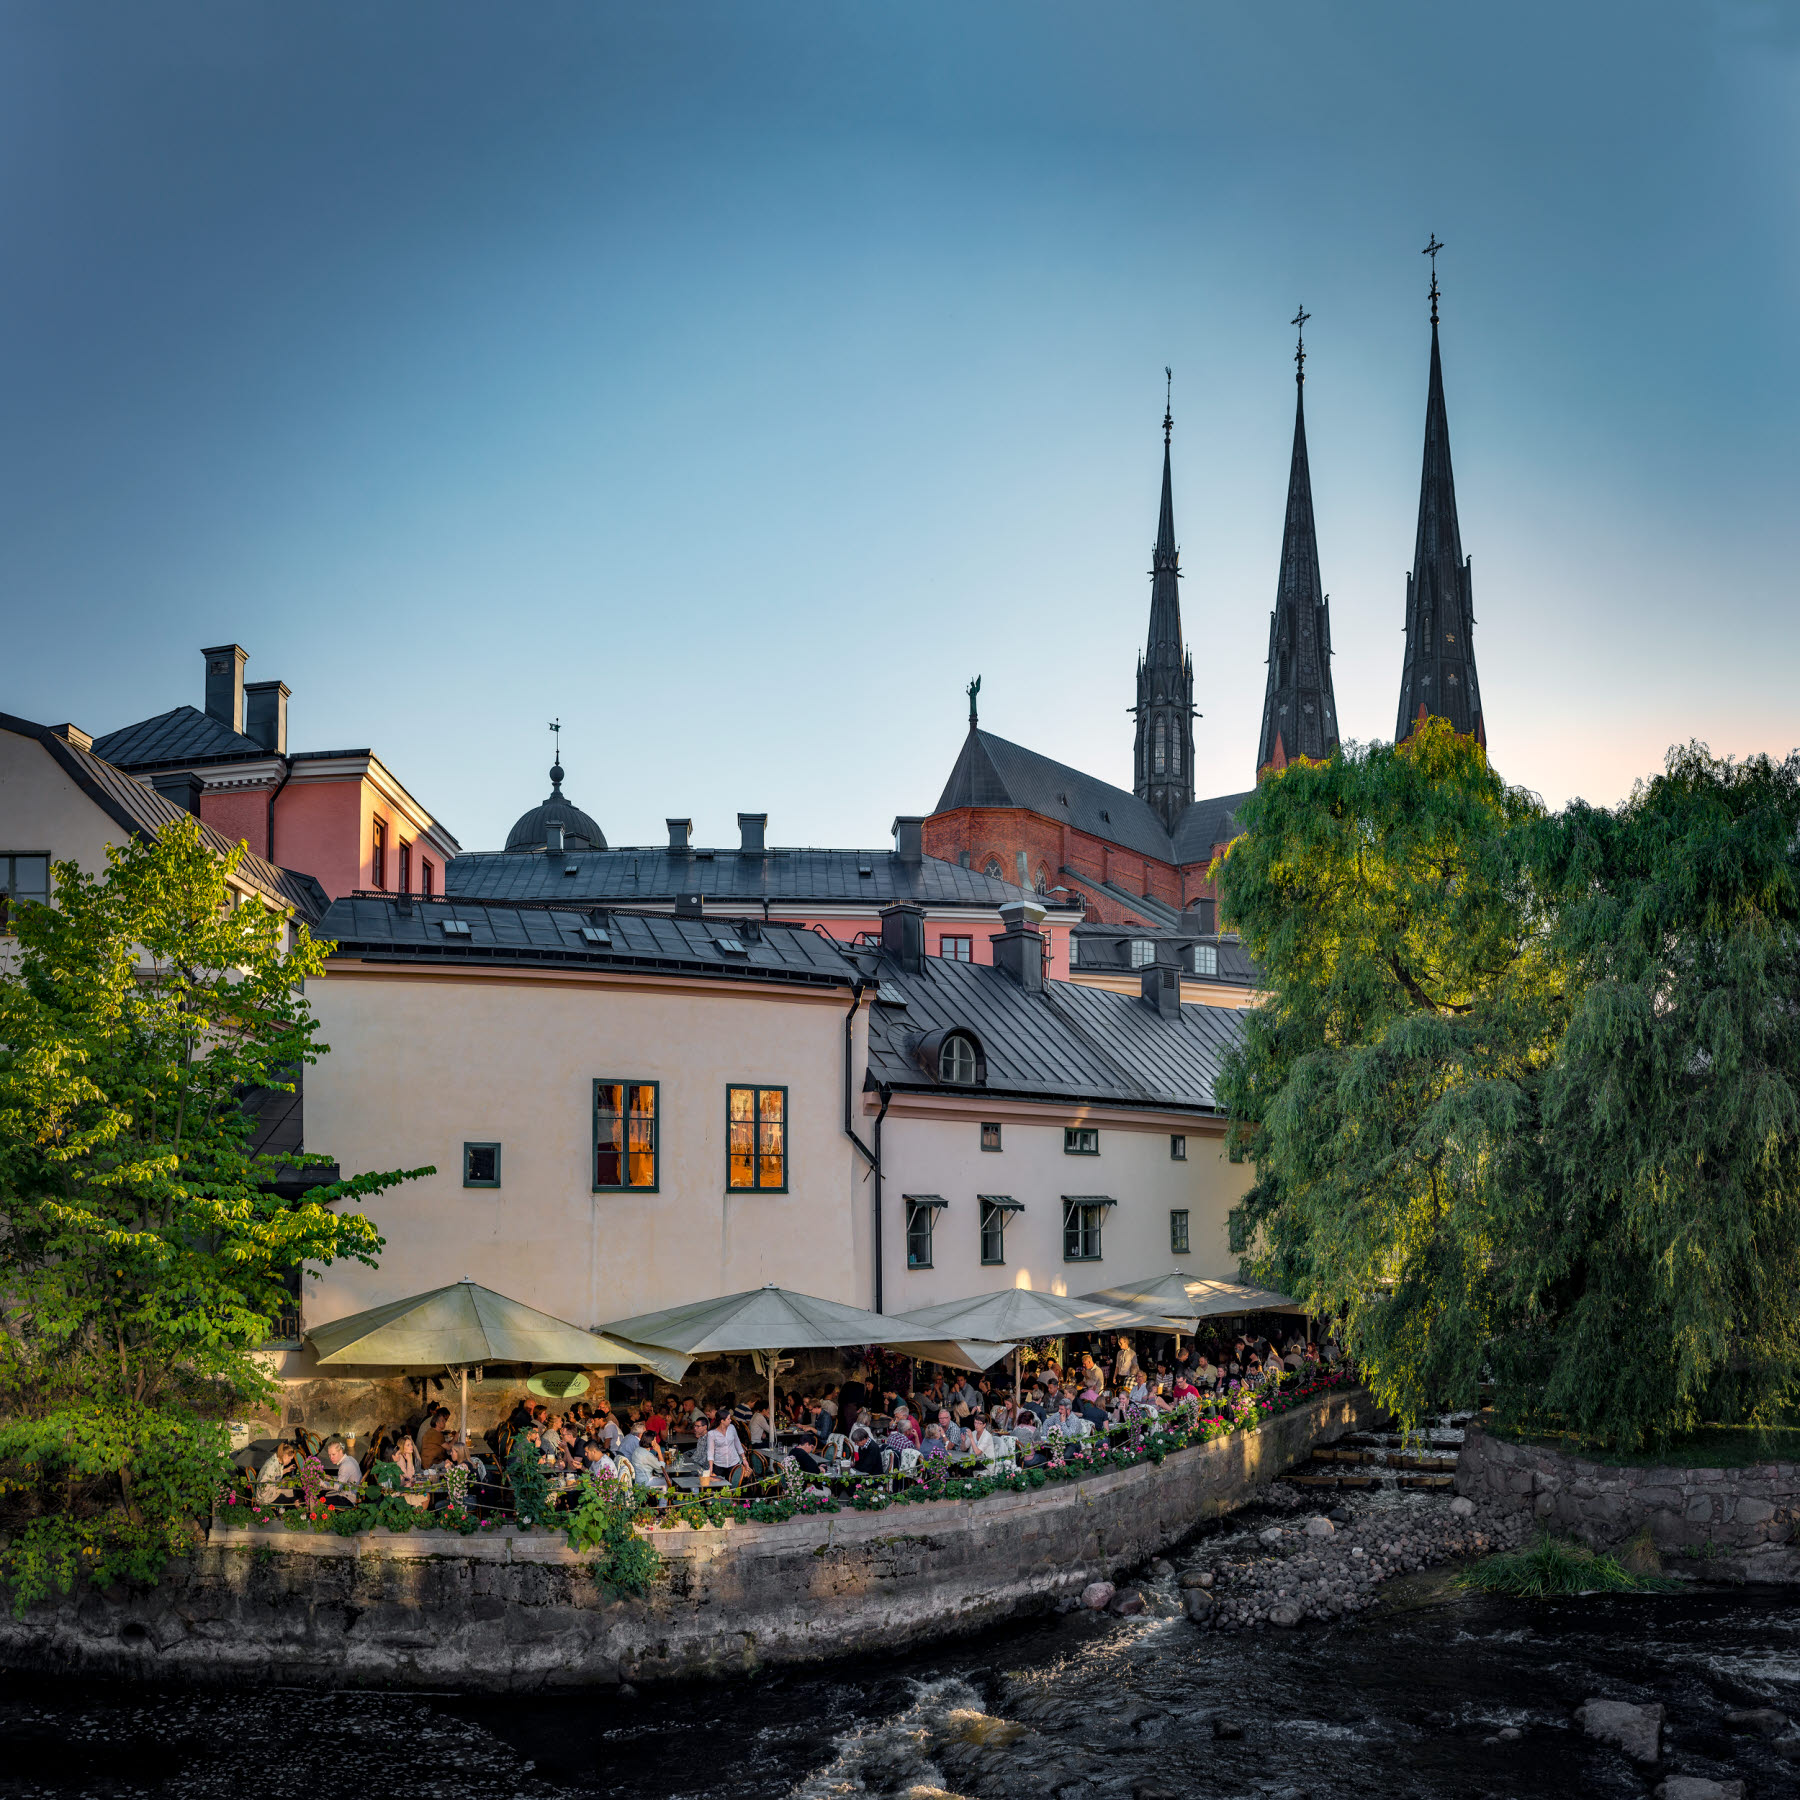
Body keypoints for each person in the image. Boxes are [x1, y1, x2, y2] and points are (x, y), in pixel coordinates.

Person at [703, 1409, 745, 1487]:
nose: (730, 1421)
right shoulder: (712, 1433)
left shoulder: (732, 1428)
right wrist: (711, 1467)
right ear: (722, 1421)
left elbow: (737, 1443)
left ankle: (733, 1499)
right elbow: (710, 1451)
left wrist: (744, 1459)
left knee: (734, 1485)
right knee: (719, 1487)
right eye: (728, 1419)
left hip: (733, 1462)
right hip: (719, 1464)